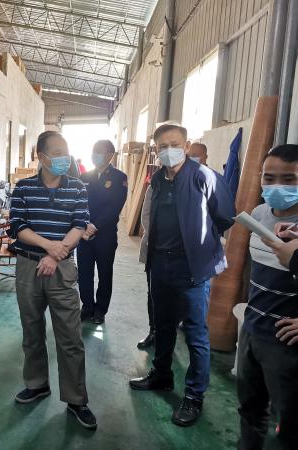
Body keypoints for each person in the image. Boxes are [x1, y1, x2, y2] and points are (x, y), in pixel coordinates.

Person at [129, 123, 235, 427]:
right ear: (155, 150)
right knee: (163, 324)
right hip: (160, 263)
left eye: (174, 144)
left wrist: (200, 247)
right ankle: (161, 375)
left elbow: (224, 216)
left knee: (195, 332)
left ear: (187, 146)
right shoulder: (158, 180)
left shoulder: (204, 176)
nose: (168, 151)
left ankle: (194, 395)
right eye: (162, 146)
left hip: (191, 267)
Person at [9, 130, 96, 430]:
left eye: (65, 152)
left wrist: (56, 256)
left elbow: (79, 225)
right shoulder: (23, 188)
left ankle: (76, 399)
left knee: (70, 337)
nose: (63, 158)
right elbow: (17, 226)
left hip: (62, 269)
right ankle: (37, 384)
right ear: (41, 156)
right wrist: (49, 247)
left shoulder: (78, 187)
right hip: (28, 266)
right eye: (57, 153)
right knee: (31, 331)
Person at [238, 145, 298, 449]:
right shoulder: (260, 214)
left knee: (286, 422)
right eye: (269, 177)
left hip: (285, 342)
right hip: (252, 329)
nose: (277, 187)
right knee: (250, 409)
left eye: (289, 179)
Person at [77, 140, 127, 324]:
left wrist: (95, 225)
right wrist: (84, 224)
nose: (94, 154)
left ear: (110, 155)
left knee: (105, 273)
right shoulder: (84, 177)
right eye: (93, 150)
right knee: (84, 272)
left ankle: (100, 310)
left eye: (99, 151)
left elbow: (114, 207)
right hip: (83, 234)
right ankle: (87, 306)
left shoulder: (119, 177)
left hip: (105, 234)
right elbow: (78, 203)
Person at [137, 185, 155, 349]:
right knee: (153, 292)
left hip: (182, 254)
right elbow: (146, 216)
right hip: (155, 248)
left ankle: (168, 331)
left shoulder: (194, 184)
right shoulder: (155, 185)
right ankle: (153, 331)